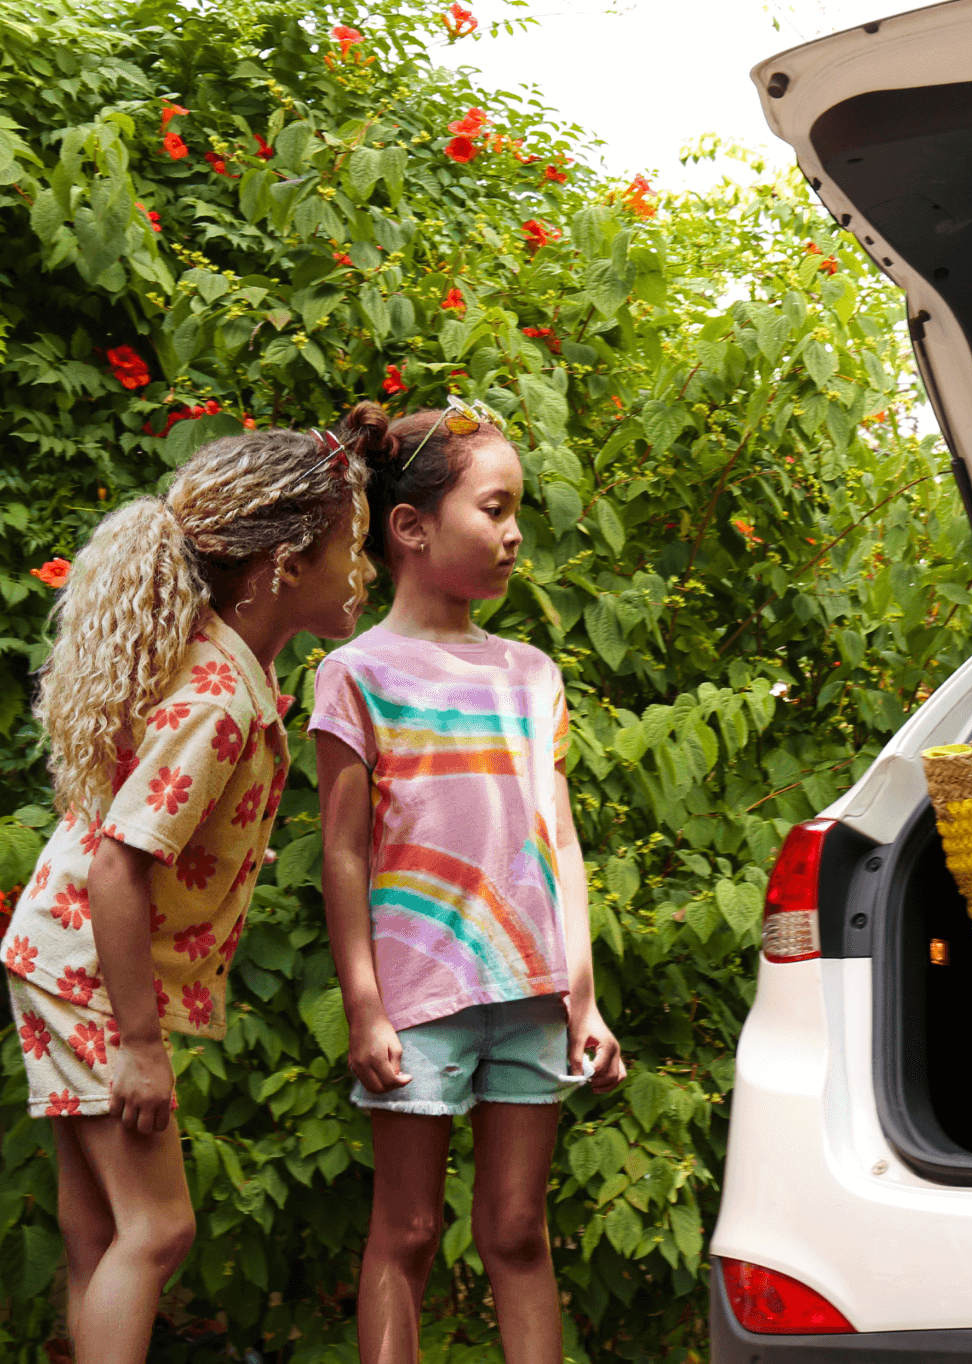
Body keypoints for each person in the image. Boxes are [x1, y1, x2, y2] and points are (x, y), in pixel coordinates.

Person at [0, 425, 375, 1364]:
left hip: (60, 953)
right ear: (286, 566)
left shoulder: (224, 667)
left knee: (101, 1233)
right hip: (89, 967)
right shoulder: (217, 700)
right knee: (159, 1230)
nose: (361, 570)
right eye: (350, 548)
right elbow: (121, 864)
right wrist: (137, 1043)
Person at [309, 399, 625, 1364]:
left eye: (516, 511)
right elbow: (344, 855)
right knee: (402, 1235)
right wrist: (365, 1008)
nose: (514, 532)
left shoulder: (532, 674)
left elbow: (559, 839)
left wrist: (584, 1001)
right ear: (410, 527)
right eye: (494, 509)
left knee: (518, 1233)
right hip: (420, 1003)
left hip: (529, 994)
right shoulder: (356, 672)